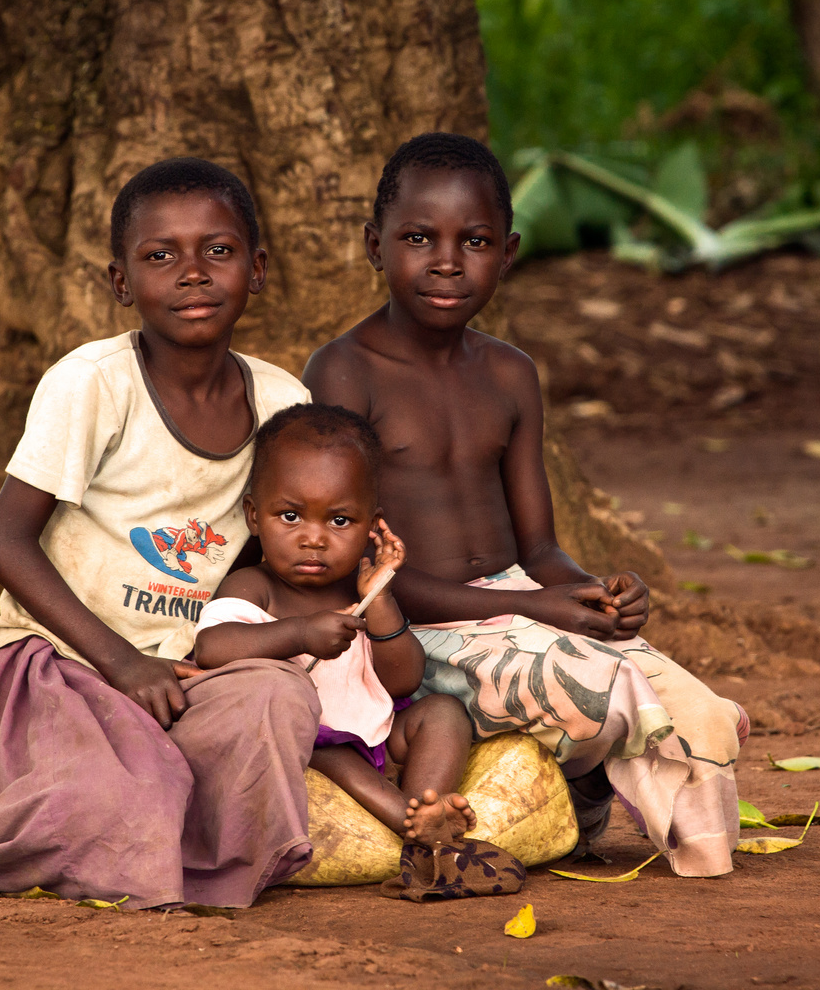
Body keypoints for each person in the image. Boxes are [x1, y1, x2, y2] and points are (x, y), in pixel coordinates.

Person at [0, 158, 321, 908]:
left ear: (258, 267)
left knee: (276, 700)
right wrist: (118, 661)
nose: (192, 274)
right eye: (160, 256)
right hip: (60, 665)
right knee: (133, 785)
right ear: (121, 282)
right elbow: (5, 543)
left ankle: (169, 857)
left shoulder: (283, 401)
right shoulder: (93, 385)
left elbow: (258, 552)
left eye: (218, 250)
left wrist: (241, 640)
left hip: (182, 678)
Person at [303, 132, 749, 878]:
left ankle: (618, 811)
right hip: (421, 627)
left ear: (506, 254)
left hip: (519, 603)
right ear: (375, 246)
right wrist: (542, 610)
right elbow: (362, 570)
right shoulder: (345, 372)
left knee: (700, 711)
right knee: (607, 700)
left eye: (473, 241)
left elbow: (539, 548)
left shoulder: (510, 375)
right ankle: (586, 795)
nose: (447, 261)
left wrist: (589, 594)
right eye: (419, 238)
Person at [192, 403, 478, 848]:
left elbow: (403, 681)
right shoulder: (254, 586)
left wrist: (379, 599)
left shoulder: (362, 592)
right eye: (290, 516)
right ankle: (408, 822)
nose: (314, 538)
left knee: (444, 712)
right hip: (312, 746)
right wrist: (301, 633)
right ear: (253, 515)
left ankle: (427, 802)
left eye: (339, 520)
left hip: (378, 735)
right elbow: (213, 648)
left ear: (371, 525)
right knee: (338, 755)